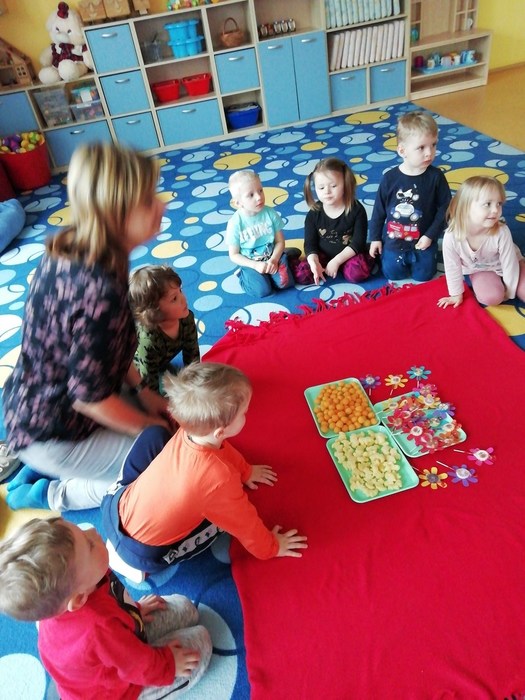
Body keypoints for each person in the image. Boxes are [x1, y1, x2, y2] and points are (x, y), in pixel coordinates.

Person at [2, 142, 173, 512]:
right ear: (115, 214)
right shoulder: (100, 291)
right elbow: (88, 398)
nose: (162, 205)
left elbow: (106, 352)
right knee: (162, 457)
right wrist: (146, 426)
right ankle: (47, 493)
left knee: (159, 413)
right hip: (53, 431)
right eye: (148, 201)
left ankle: (41, 464)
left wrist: (142, 391)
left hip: (32, 407)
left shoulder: (77, 247)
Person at [102, 362, 308, 580]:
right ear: (220, 431)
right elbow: (245, 524)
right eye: (244, 413)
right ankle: (134, 564)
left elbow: (221, 450)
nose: (247, 415)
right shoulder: (219, 480)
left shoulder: (189, 432)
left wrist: (246, 471)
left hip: (114, 506)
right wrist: (272, 547)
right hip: (142, 553)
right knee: (220, 523)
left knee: (155, 434)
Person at [0, 517, 211, 699]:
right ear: (79, 598)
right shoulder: (97, 629)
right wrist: (169, 664)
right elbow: (137, 665)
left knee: (186, 607)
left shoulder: (79, 584)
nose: (93, 531)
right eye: (89, 545)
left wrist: (134, 611)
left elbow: (110, 602)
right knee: (201, 642)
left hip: (115, 646)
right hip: (117, 689)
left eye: (82, 531)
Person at [368, 110, 451, 281]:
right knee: (392, 273)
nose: (429, 153)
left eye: (433, 145)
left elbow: (446, 208)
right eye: (421, 147)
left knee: (424, 276)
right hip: (394, 241)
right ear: (402, 150)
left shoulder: (436, 177)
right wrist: (375, 238)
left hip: (423, 241)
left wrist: (430, 235)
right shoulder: (389, 178)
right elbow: (378, 211)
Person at [437, 175, 525, 308]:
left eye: (499, 204)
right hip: (478, 269)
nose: (495, 210)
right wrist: (456, 294)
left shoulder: (502, 231)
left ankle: (523, 265)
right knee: (492, 297)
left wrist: (510, 291)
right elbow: (452, 266)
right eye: (487, 204)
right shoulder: (452, 236)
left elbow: (509, 264)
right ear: (465, 207)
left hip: (509, 263)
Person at [291, 157, 374, 285]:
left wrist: (336, 261)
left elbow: (358, 243)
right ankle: (291, 256)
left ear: (345, 184)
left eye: (333, 186)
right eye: (321, 188)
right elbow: (310, 244)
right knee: (302, 275)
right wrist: (314, 262)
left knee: (357, 273)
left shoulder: (357, 210)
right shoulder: (313, 214)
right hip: (323, 255)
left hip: (349, 254)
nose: (327, 192)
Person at [129, 265, 200, 393]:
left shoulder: (186, 319)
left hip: (161, 362)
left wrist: (195, 381)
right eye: (174, 298)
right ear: (155, 312)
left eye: (180, 291)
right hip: (136, 368)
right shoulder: (149, 340)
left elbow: (192, 353)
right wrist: (155, 399)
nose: (183, 298)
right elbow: (148, 378)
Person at [227, 169, 294, 297]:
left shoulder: (270, 213)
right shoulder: (235, 223)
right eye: (251, 195)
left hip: (272, 257)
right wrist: (255, 265)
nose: (259, 197)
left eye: (260, 190)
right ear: (238, 203)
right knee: (263, 291)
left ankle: (283, 258)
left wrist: (274, 259)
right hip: (251, 263)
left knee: (285, 283)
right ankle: (243, 275)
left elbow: (280, 241)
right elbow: (234, 255)